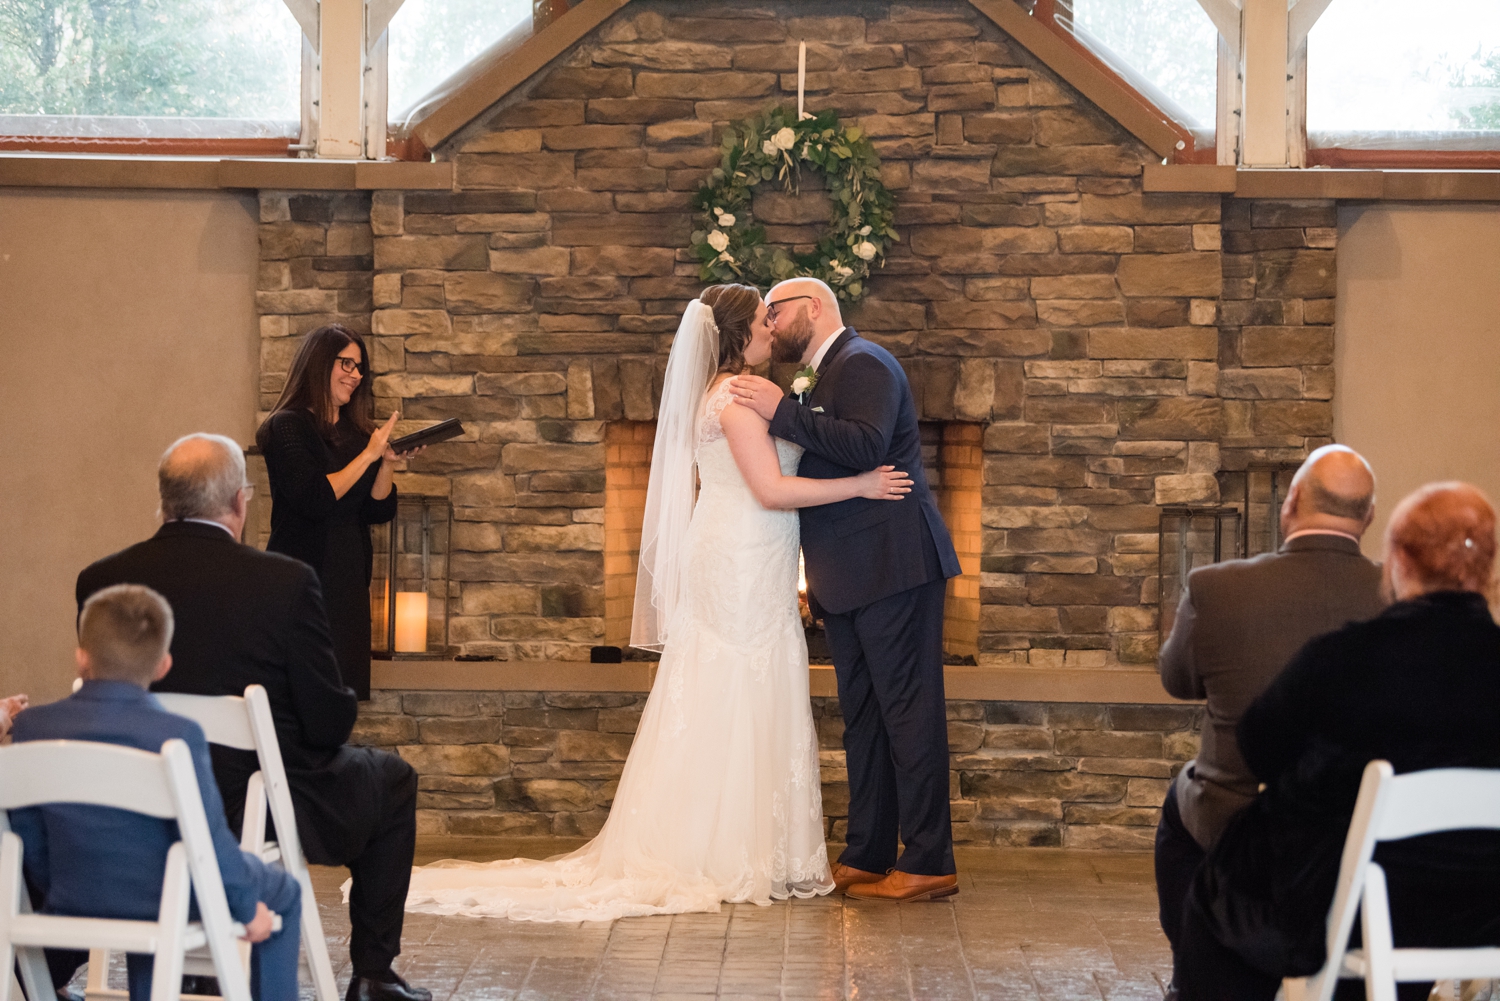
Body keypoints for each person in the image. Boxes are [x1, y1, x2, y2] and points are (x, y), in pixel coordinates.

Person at [401, 284, 913, 922]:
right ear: (733, 335)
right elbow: (772, 490)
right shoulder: (733, 399)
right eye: (760, 320)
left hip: (747, 552)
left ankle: (745, 844)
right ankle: (728, 852)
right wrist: (862, 484)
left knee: (732, 687)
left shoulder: (731, 394)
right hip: (743, 555)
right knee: (738, 687)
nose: (770, 330)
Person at [76, 433, 429, 1001]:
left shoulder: (101, 581)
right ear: (240, 502)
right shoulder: (284, 582)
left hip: (141, 800)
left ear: (164, 502)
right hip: (255, 804)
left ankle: (133, 967)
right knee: (393, 780)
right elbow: (326, 724)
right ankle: (372, 974)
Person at [1175, 482, 1500, 1001]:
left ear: (1395, 560)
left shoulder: (1344, 657)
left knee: (1221, 896)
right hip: (1483, 910)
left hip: (1357, 906)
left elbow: (1259, 748)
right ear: (1488, 568)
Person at [730, 277, 962, 902]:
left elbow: (866, 446)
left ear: (815, 307)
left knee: (909, 715)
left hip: (893, 566)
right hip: (848, 574)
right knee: (863, 719)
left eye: (775, 311)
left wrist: (781, 413)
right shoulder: (821, 374)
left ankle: (930, 860)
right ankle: (868, 850)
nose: (770, 324)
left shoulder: (864, 363)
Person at [1154, 445, 1385, 974]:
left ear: (1291, 503)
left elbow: (1178, 681)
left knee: (1180, 805)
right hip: (1359, 820)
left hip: (1241, 813)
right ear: (1368, 516)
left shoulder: (1216, 587)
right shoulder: (1399, 598)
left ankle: (1196, 965)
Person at [9, 584, 301, 1001]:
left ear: (82, 655)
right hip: (167, 896)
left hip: (72, 893)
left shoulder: (32, 727)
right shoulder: (177, 733)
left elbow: (29, 836)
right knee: (284, 891)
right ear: (163, 665)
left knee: (156, 872)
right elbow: (208, 840)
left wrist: (60, 886)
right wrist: (245, 905)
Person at [256, 323, 406, 701]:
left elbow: (377, 510)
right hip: (302, 582)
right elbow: (315, 498)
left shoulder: (357, 434)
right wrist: (369, 454)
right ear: (320, 363)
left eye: (360, 368)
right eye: (346, 364)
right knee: (299, 699)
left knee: (340, 702)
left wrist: (386, 463)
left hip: (348, 584)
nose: (355, 376)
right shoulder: (287, 426)